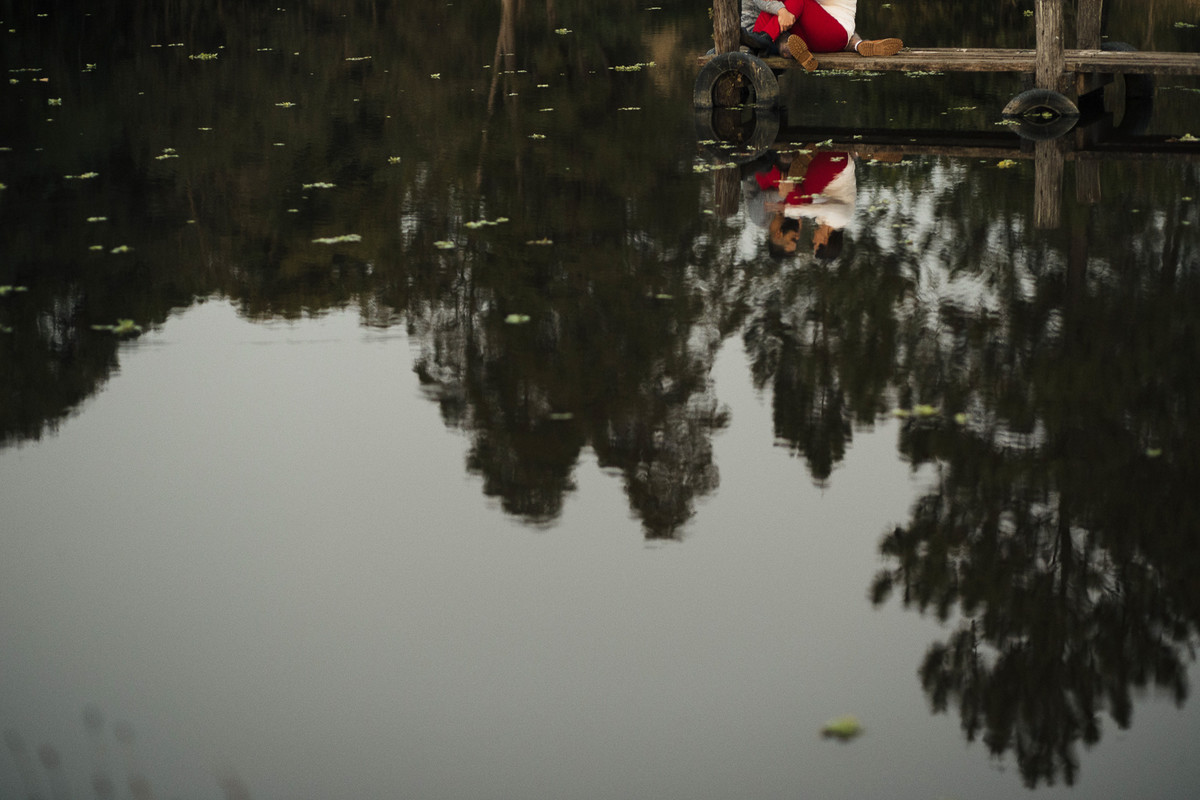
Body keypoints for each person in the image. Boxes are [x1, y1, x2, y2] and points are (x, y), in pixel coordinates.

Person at [740, 0, 902, 71]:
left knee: (793, 2)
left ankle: (764, 40)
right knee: (776, 9)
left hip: (835, 31)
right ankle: (773, 42)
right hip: (820, 36)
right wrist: (780, 10)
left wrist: (781, 10)